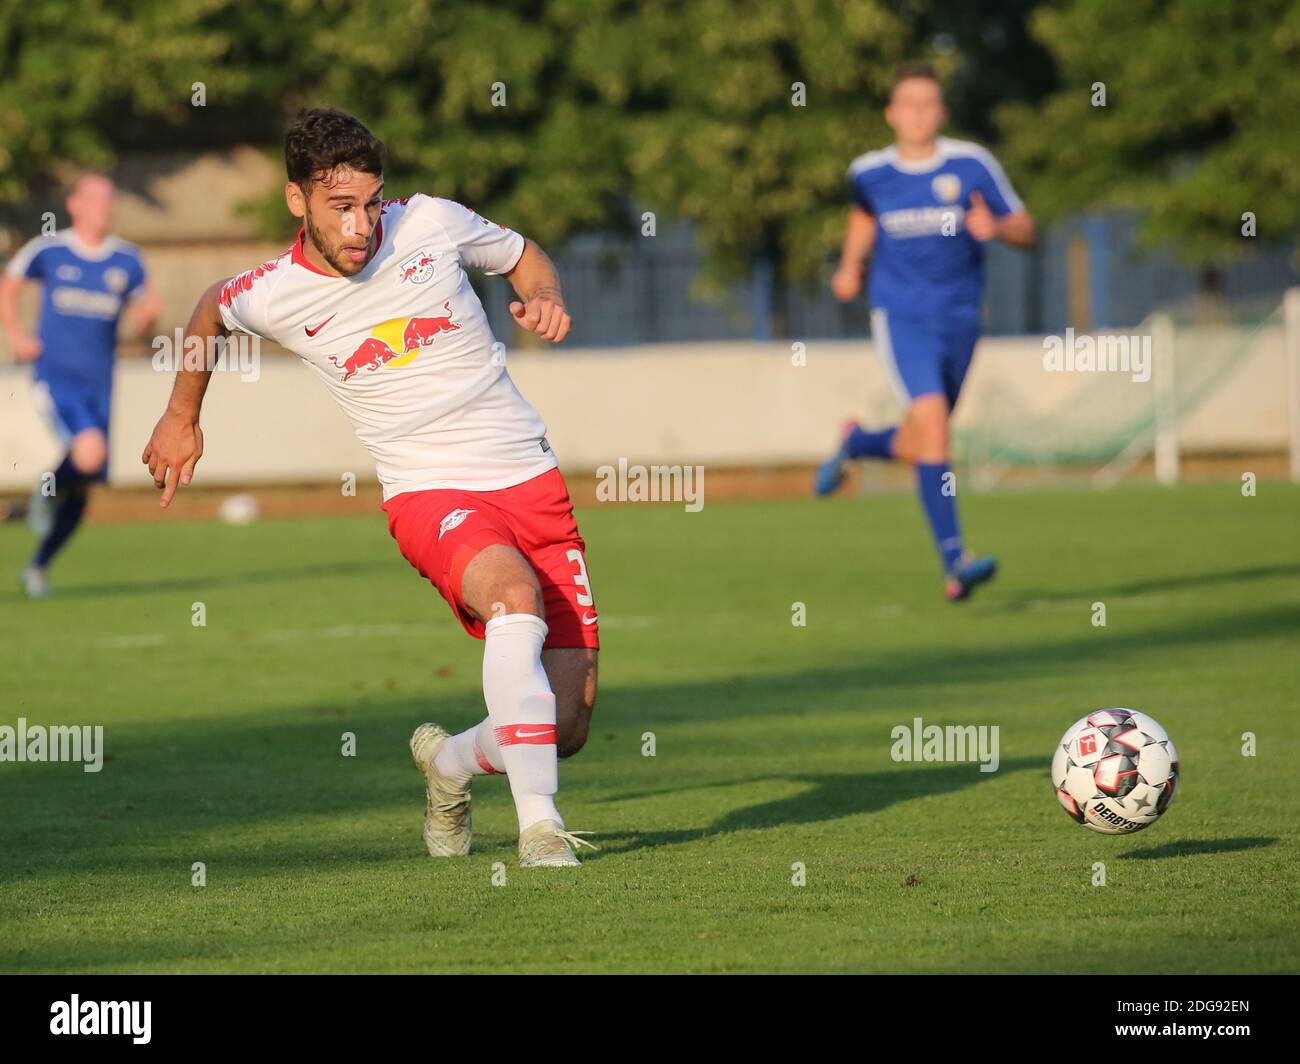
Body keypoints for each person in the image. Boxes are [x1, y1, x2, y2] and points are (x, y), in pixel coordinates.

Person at [142, 108, 598, 867]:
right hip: (429, 492)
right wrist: (181, 415)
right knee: (514, 599)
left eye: (370, 203)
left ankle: (449, 763)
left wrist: (544, 296)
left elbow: (524, 256)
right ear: (298, 202)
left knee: (567, 726)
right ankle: (540, 830)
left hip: (531, 479)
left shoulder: (431, 224)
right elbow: (210, 310)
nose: (361, 226)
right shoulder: (276, 291)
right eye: (340, 208)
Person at [816, 63, 1035, 601]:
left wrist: (999, 228)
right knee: (936, 426)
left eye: (928, 103)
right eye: (907, 103)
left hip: (962, 319)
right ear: (891, 113)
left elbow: (1027, 228)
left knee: (922, 442)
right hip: (900, 316)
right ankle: (955, 560)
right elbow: (864, 217)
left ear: (942, 112)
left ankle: (859, 440)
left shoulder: (973, 164)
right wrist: (849, 266)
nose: (917, 113)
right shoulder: (869, 172)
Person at [1, 174, 160, 597]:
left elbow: (146, 315)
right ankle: (46, 487)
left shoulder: (127, 260)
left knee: (84, 489)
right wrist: (17, 337)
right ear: (75, 205)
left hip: (101, 384)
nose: (103, 208)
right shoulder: (50, 250)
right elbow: (8, 287)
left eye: (109, 200)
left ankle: (38, 565)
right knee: (89, 453)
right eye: (95, 200)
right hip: (56, 376)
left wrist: (148, 322)